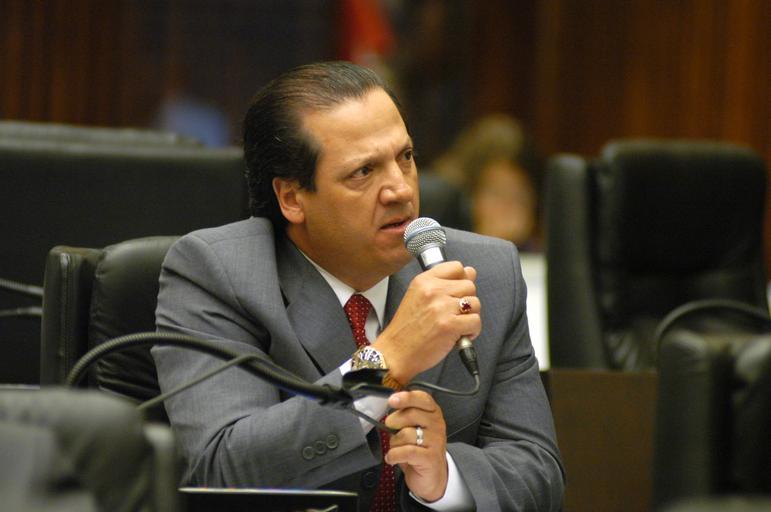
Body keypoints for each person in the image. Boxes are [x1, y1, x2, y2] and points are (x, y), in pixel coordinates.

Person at [152, 61, 564, 511]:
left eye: (405, 157)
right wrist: (384, 363)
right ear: (292, 198)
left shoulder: (485, 272)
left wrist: (445, 480)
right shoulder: (221, 273)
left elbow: (539, 475)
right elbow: (220, 470)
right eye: (363, 172)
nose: (400, 190)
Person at [432, 114, 543, 251]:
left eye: (519, 196)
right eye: (496, 193)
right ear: (468, 202)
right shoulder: (441, 249)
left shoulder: (542, 253)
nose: (507, 206)